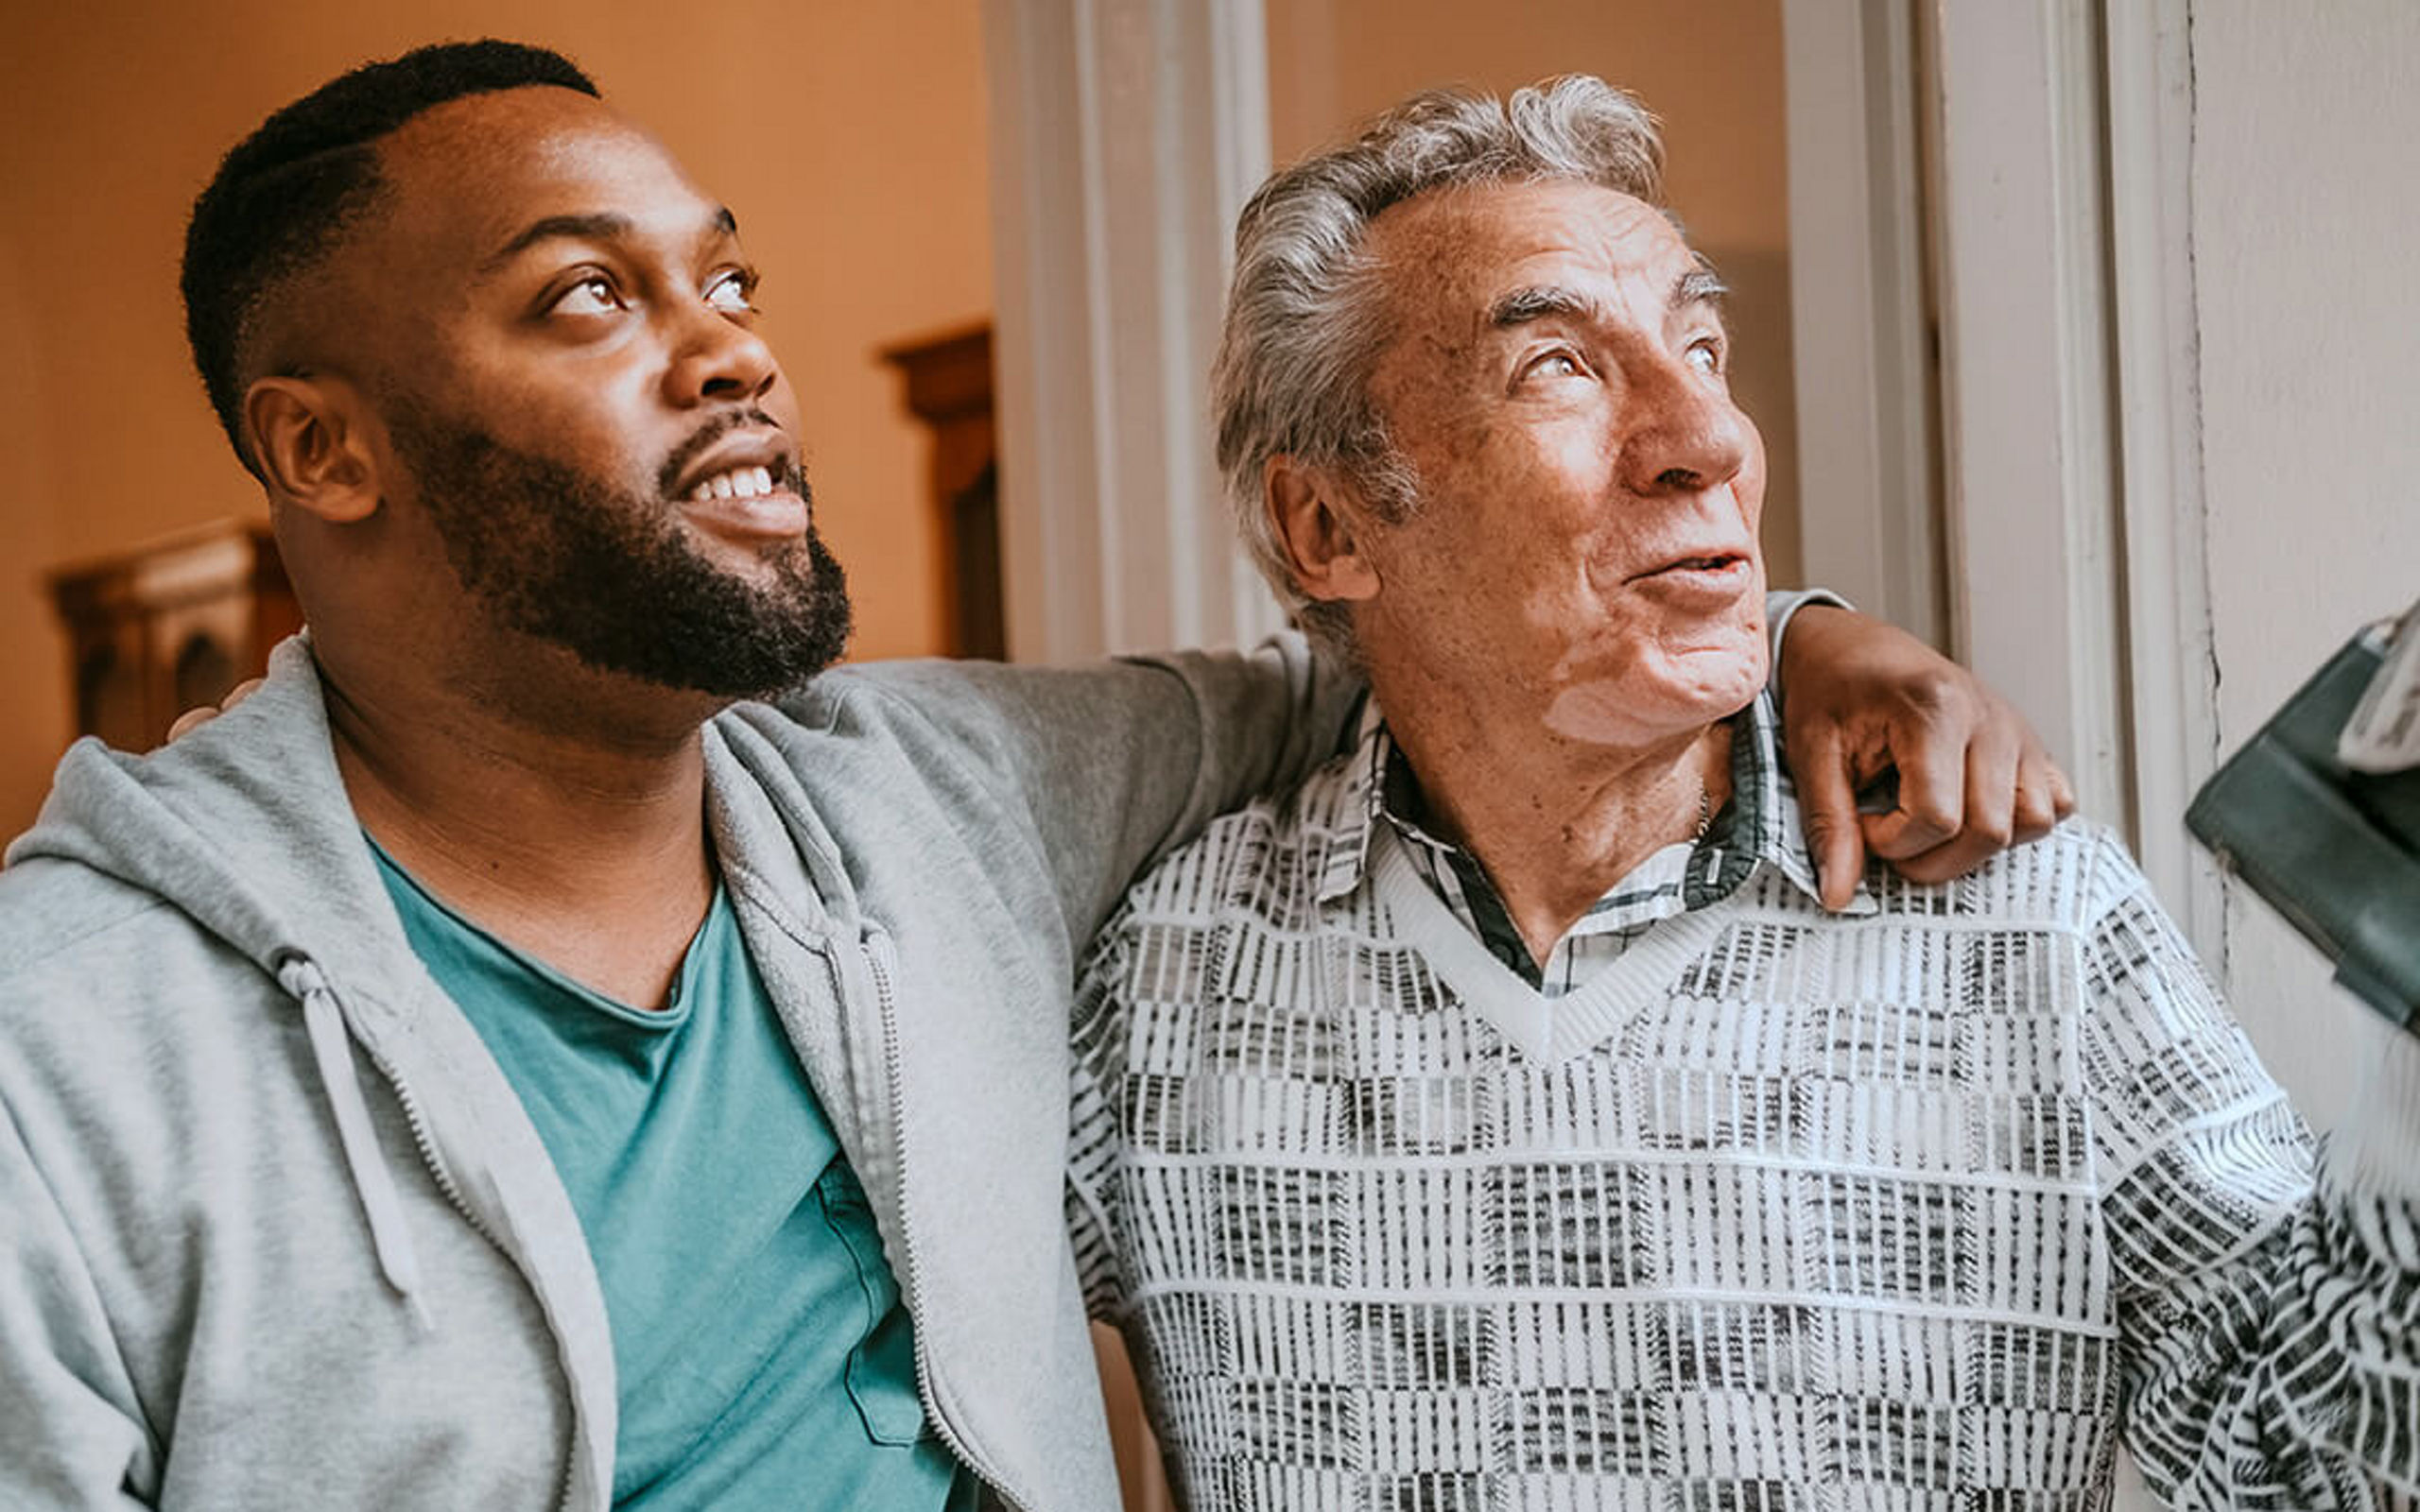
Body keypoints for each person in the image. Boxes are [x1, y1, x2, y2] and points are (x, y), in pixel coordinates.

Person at [0, 43, 2065, 1512]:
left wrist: (1789, 631)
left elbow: (1396, 653)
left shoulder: (932, 792)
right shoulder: (67, 1045)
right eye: (586, 299)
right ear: (322, 449)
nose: (733, 352)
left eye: (726, 279)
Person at [1066, 77, 2420, 1511]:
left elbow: (2325, 1474)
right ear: (1328, 525)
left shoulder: (2024, 909)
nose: (1705, 438)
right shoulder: (1171, 974)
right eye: (1560, 370)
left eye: (1703, 349)